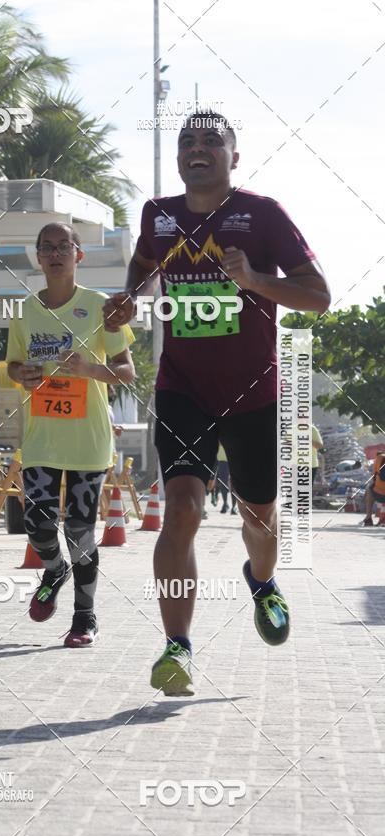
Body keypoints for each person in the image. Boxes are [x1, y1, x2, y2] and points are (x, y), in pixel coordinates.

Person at [104, 110, 330, 695]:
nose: (197, 150)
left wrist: (255, 279)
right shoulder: (159, 215)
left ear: (235, 155)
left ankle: (262, 582)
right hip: (182, 387)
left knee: (259, 516)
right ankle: (176, 647)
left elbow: (318, 297)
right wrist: (130, 297)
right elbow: (142, 266)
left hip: (253, 391)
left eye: (211, 142)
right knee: (181, 508)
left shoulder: (265, 214)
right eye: (187, 142)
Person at [6, 222, 135, 646]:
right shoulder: (24, 310)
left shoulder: (101, 306)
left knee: (80, 530)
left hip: (87, 438)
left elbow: (127, 372)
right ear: (38, 257)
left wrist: (89, 370)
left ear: (79, 255)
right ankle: (53, 568)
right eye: (48, 247)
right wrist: (21, 373)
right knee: (37, 523)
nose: (57, 253)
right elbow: (14, 365)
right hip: (42, 436)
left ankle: (85, 616)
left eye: (65, 246)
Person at [361, 451, 385, 526]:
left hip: (380, 492)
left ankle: (368, 518)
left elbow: (374, 475)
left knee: (369, 489)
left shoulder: (379, 458)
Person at [213, 443, 237, 514]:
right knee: (223, 484)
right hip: (222, 459)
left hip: (235, 459)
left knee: (234, 484)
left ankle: (234, 506)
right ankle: (225, 503)